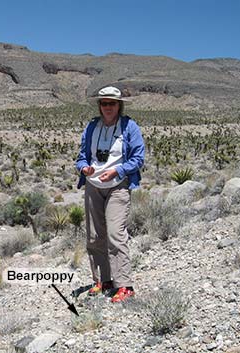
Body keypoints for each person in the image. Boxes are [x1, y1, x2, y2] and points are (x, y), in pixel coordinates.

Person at [75, 86, 145, 303]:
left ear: (119, 105)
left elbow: (138, 158)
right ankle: (103, 280)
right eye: (104, 103)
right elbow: (82, 156)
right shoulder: (91, 127)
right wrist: (84, 168)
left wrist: (118, 170)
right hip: (93, 186)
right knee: (95, 236)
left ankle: (124, 285)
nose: (107, 107)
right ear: (99, 105)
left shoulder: (129, 127)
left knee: (115, 234)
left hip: (118, 186)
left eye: (111, 103)